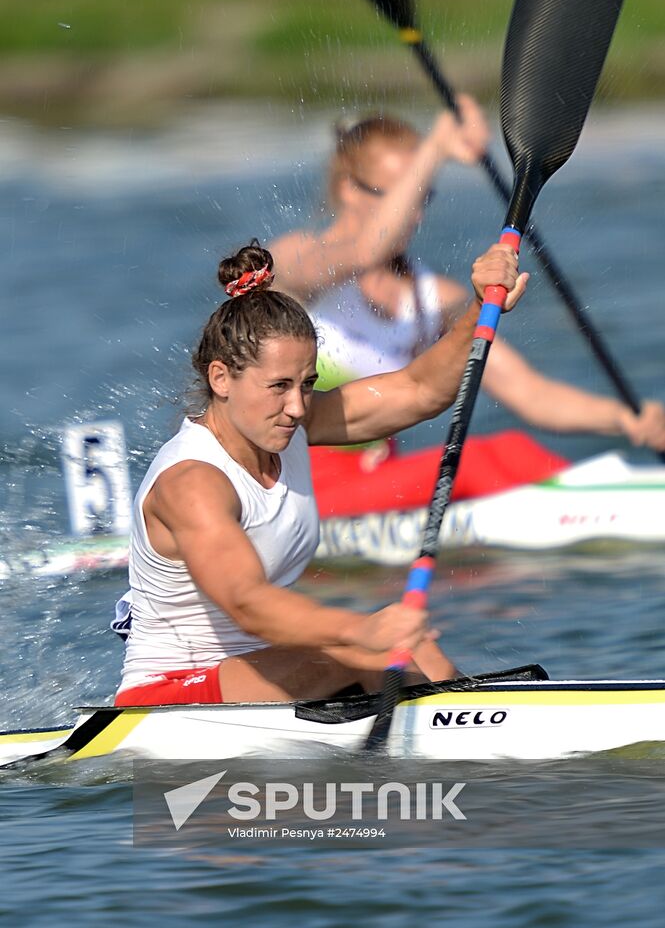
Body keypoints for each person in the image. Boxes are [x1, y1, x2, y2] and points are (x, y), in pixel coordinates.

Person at [113, 239, 526, 707]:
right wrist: (361, 629)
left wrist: (478, 306)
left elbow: (419, 390)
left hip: (268, 670)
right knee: (374, 645)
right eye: (279, 387)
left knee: (414, 646)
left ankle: (481, 725)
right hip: (168, 696)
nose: (296, 407)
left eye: (307, 385)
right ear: (220, 378)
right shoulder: (193, 482)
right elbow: (246, 601)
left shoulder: (287, 425)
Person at [269, 102, 665, 454]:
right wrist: (437, 146)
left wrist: (627, 418)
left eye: (423, 196)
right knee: (488, 461)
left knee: (511, 450)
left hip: (376, 481)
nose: (415, 214)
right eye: (401, 196)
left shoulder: (433, 298)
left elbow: (529, 393)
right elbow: (365, 251)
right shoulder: (297, 260)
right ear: (349, 190)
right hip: (301, 473)